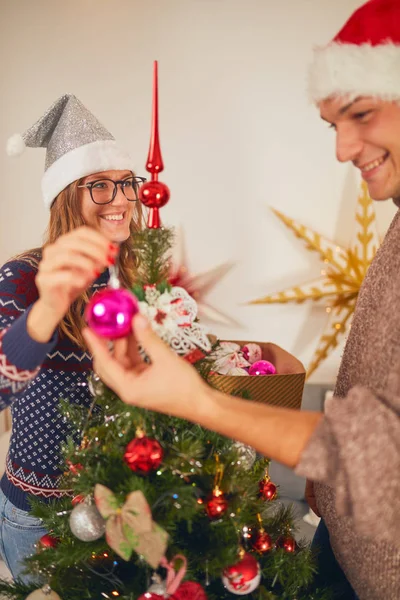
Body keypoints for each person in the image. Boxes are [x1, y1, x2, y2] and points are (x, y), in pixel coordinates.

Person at [83, 1, 400, 599]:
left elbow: (388, 460)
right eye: (334, 125)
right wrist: (326, 482)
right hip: (345, 534)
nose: (342, 149)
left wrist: (200, 402)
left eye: (361, 113)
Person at [0, 94, 145, 580]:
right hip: (42, 514)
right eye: (100, 186)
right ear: (66, 196)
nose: (122, 199)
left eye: (126, 183)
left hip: (125, 504)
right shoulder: (23, 278)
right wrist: (50, 307)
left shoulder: (136, 277)